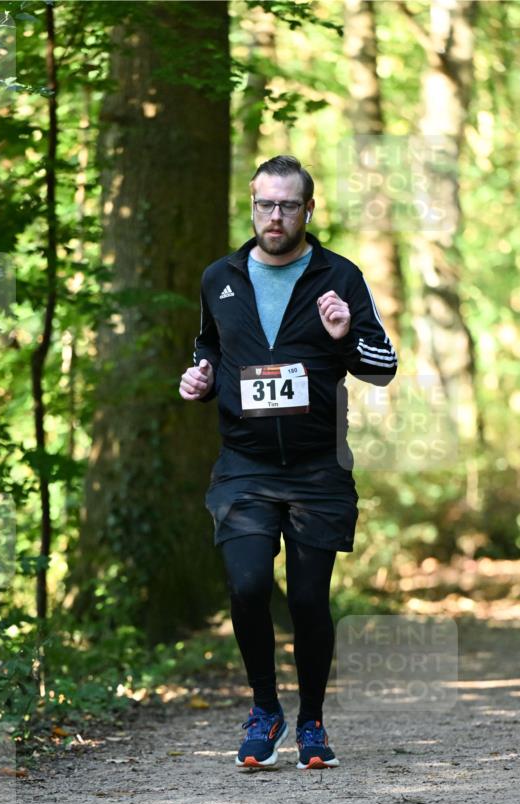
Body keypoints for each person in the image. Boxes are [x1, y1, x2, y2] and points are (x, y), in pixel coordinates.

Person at [179, 155, 397, 771]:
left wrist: (346, 332)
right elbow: (209, 347)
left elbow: (382, 368)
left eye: (288, 206)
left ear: (308, 210)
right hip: (244, 465)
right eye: (265, 205)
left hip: (316, 468)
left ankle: (313, 723)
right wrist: (199, 378)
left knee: (307, 599)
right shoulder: (219, 276)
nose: (275, 217)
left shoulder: (339, 276)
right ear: (252, 206)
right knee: (247, 586)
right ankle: (265, 708)